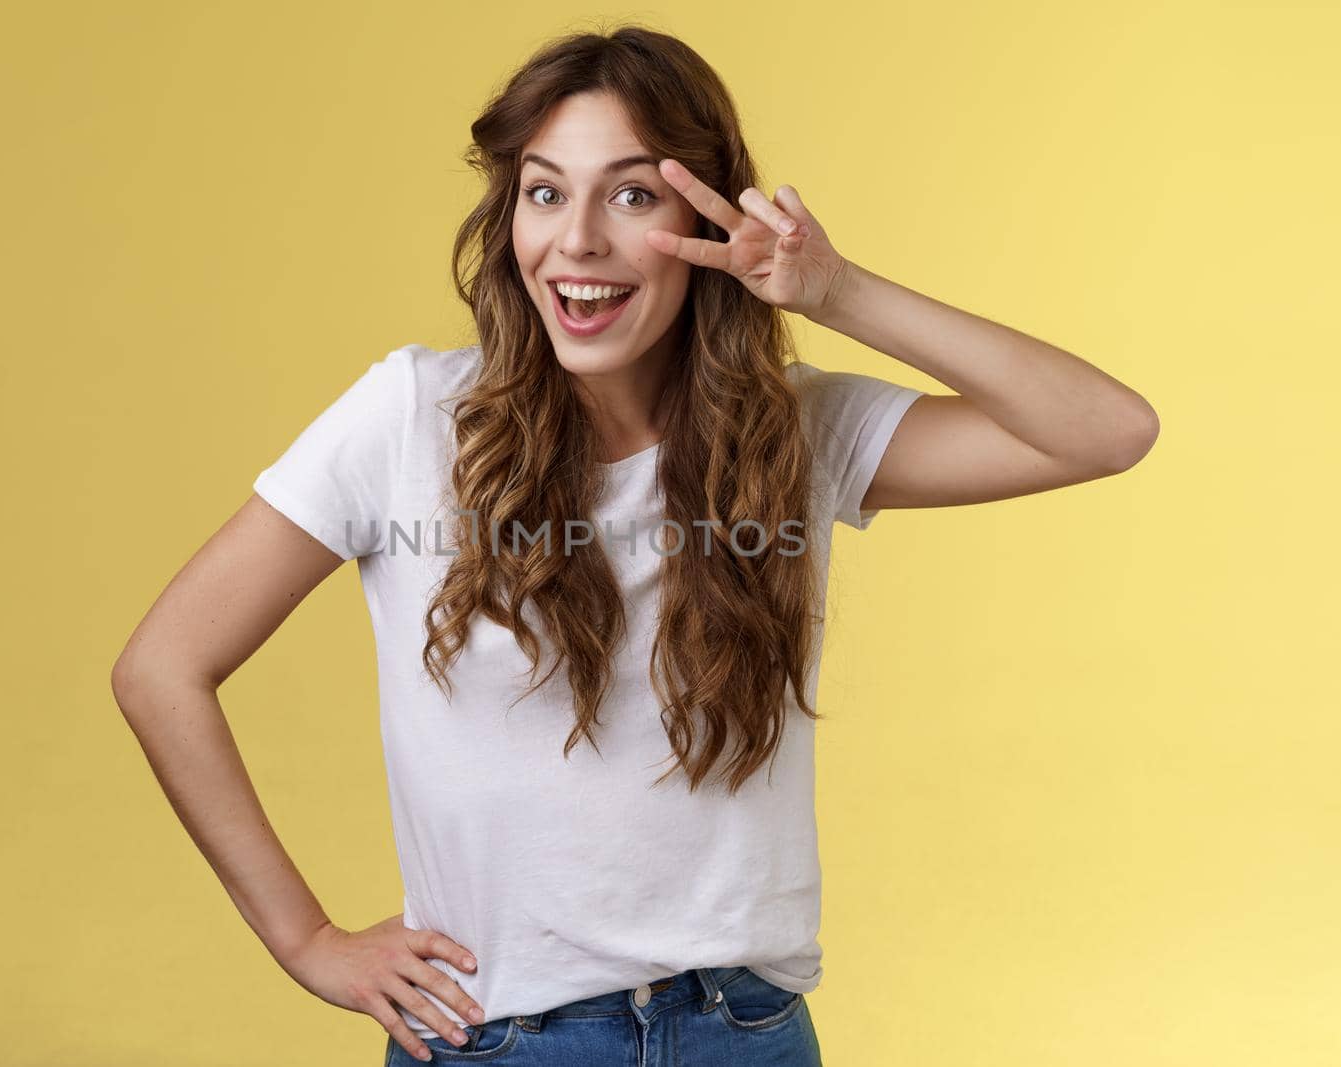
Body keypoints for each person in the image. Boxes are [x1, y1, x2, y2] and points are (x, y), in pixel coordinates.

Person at [110, 24, 1159, 1066]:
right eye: (544, 190)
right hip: (500, 1039)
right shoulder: (408, 417)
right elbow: (162, 667)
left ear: (706, 218)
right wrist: (305, 939)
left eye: (631, 194)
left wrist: (835, 291)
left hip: (743, 1031)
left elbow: (1106, 430)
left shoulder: (787, 430)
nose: (576, 240)